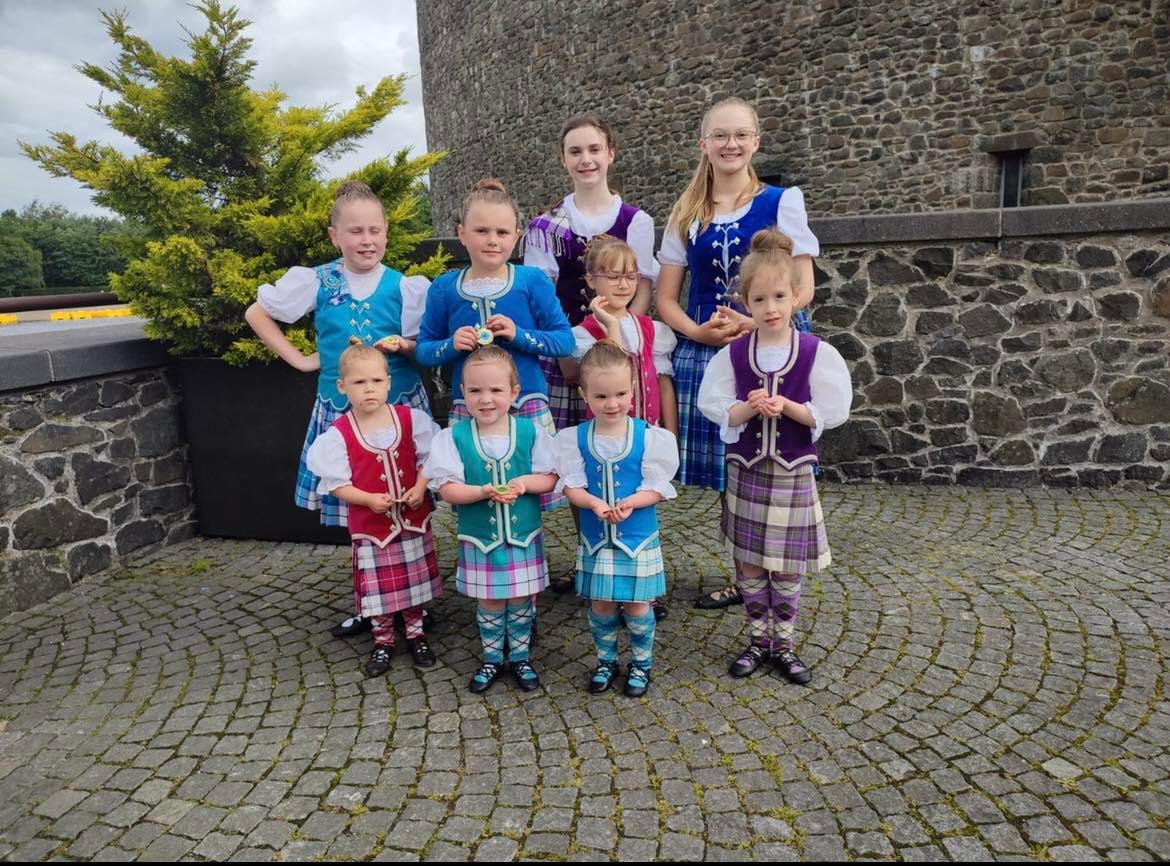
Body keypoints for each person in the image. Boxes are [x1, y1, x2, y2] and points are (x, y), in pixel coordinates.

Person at [244, 180, 433, 639]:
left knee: (411, 510)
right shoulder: (318, 281)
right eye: (354, 232)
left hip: (398, 409)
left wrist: (405, 347)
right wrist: (300, 358)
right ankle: (373, 604)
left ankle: (415, 603)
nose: (366, 240)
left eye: (374, 230)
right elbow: (257, 313)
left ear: (387, 232)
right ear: (335, 236)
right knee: (361, 514)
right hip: (342, 411)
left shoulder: (406, 288)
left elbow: (422, 347)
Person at [652, 98, 821, 610]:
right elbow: (665, 299)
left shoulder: (782, 201)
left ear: (756, 141)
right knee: (734, 469)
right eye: (720, 136)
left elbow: (805, 287)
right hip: (711, 351)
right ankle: (744, 573)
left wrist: (755, 321)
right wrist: (697, 335)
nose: (731, 144)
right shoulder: (686, 213)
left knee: (777, 462)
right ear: (704, 144)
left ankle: (778, 570)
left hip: (774, 344)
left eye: (740, 135)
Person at [697, 230, 851, 685]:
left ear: (795, 297)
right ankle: (756, 640)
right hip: (746, 470)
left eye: (779, 296)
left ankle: (782, 643)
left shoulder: (814, 352)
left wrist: (790, 408)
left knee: (785, 564)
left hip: (791, 473)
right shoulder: (734, 354)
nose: (771, 308)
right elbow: (715, 403)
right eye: (760, 299)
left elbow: (833, 410)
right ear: (746, 300)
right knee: (749, 561)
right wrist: (747, 408)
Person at [416, 178, 573, 511]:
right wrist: (451, 345)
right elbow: (424, 349)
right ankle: (481, 556)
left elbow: (564, 340)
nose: (492, 240)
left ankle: (527, 555)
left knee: (528, 488)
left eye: (502, 233)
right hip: (470, 404)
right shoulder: (444, 288)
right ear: (461, 233)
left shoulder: (532, 281)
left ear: (517, 237)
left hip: (526, 401)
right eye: (481, 231)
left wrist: (520, 334)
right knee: (475, 486)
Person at [424, 346, 559, 694]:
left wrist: (524, 483)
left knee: (522, 600)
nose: (486, 399)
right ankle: (491, 657)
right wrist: (483, 490)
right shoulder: (453, 437)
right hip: (480, 538)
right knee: (490, 601)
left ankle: (520, 655)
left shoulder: (530, 432)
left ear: (514, 393)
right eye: (475, 391)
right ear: (463, 395)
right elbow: (449, 490)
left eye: (496, 390)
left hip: (524, 537)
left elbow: (551, 477)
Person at [305, 345, 442, 676]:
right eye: (359, 382)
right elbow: (336, 484)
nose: (369, 389)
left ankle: (415, 632)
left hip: (412, 521)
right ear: (342, 387)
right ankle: (383, 640)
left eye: (377, 380)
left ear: (388, 382)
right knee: (379, 588)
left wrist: (420, 488)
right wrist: (366, 499)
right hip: (372, 528)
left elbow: (432, 459)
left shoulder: (411, 420)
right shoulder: (339, 434)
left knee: (414, 583)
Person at [554, 341, 679, 697]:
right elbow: (570, 486)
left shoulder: (650, 437)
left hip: (637, 538)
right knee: (602, 604)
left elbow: (657, 488)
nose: (612, 404)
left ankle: (641, 664)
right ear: (584, 395)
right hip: (597, 540)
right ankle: (606, 660)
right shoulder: (574, 439)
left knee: (639, 606)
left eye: (620, 394)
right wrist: (592, 502)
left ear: (633, 389)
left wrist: (631, 502)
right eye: (602, 396)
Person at [523, 115, 659, 431]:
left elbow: (642, 288)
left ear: (610, 153)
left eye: (594, 149)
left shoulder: (636, 222)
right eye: (575, 152)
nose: (586, 160)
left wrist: (625, 344)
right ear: (563, 158)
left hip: (620, 355)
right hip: (564, 354)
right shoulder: (545, 227)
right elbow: (540, 296)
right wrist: (563, 355)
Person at [573, 235, 678, 433]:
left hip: (650, 434)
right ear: (591, 280)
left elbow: (664, 387)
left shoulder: (650, 329)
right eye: (613, 277)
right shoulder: (584, 334)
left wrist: (671, 437)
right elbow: (611, 366)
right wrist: (611, 325)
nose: (624, 285)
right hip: (607, 438)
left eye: (631, 277)